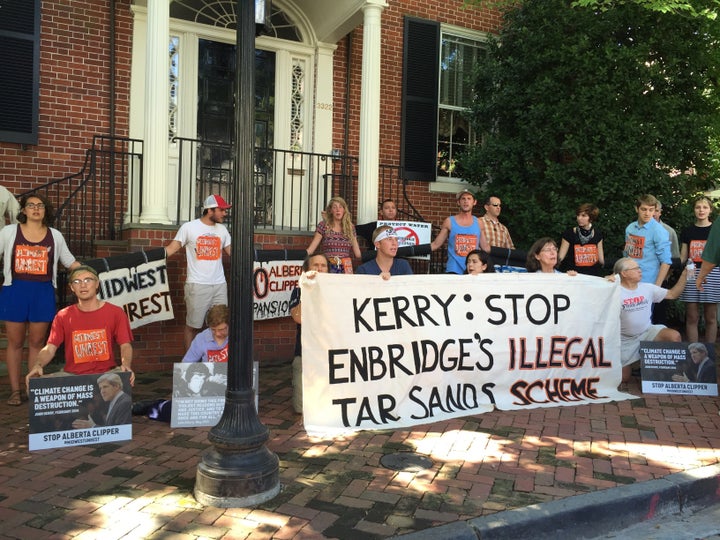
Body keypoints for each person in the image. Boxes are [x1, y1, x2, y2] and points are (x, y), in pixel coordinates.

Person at [0, 194, 80, 406]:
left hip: (43, 292)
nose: (36, 209)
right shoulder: (9, 232)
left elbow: (70, 262)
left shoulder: (55, 236)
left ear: (45, 211)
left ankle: (32, 388)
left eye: (40, 206)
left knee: (37, 342)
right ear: (24, 210)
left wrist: (91, 273)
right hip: (15, 291)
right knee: (15, 343)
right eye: (31, 205)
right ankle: (16, 391)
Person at [25, 265, 135, 386]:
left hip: (107, 375)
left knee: (123, 380)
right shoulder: (63, 315)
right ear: (72, 287)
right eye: (77, 282)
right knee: (36, 387)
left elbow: (125, 345)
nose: (83, 285)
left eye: (88, 280)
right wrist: (38, 364)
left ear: (97, 284)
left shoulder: (116, 312)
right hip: (73, 376)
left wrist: (126, 365)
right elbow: (50, 348)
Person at [165, 194, 232, 350]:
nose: (224, 213)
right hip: (197, 285)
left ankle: (217, 362)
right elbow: (172, 249)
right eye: (221, 210)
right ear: (210, 211)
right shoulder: (189, 227)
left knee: (221, 324)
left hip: (219, 285)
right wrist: (149, 259)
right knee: (193, 326)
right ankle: (190, 364)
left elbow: (233, 253)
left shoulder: (222, 230)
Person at [614, 257, 687, 383]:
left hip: (647, 332)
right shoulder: (614, 290)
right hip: (623, 340)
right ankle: (637, 364)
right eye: (635, 268)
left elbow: (672, 294)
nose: (640, 271)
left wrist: (685, 275)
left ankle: (673, 372)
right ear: (624, 273)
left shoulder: (647, 288)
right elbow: (592, 291)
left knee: (674, 336)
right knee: (623, 378)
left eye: (639, 268)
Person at [289, 253, 329, 413]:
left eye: (323, 266)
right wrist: (307, 288)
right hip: (305, 353)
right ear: (306, 270)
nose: (319, 269)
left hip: (330, 353)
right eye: (315, 265)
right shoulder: (299, 290)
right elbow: (298, 318)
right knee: (301, 408)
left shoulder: (337, 290)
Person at [679, 196, 719, 343]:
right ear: (693, 210)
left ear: (710, 210)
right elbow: (683, 257)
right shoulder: (687, 231)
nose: (701, 210)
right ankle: (693, 352)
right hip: (691, 274)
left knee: (711, 317)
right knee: (691, 317)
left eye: (705, 207)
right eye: (698, 207)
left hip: (713, 274)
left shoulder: (716, 230)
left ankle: (709, 355)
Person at [431, 189, 490, 274]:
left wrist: (508, 254)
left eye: (469, 199)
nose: (466, 201)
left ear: (474, 202)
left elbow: (485, 248)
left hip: (472, 270)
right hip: (453, 269)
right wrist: (410, 250)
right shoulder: (449, 221)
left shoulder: (479, 223)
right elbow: (435, 244)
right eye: (463, 199)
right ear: (458, 202)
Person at [624, 194, 672, 287]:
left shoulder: (658, 230)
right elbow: (627, 255)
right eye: (644, 209)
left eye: (651, 210)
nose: (647, 213)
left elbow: (666, 261)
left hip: (647, 282)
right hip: (628, 280)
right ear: (637, 209)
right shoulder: (630, 228)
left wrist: (656, 287)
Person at [306, 196, 361, 274]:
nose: (338, 210)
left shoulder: (350, 227)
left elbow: (358, 254)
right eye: (335, 207)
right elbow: (311, 250)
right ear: (331, 210)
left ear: (344, 210)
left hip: (346, 268)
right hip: (329, 266)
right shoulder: (323, 225)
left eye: (340, 207)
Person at [558, 203, 605, 276]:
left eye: (583, 216)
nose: (579, 218)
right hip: (574, 275)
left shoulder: (598, 234)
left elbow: (601, 259)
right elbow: (560, 257)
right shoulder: (569, 233)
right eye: (578, 215)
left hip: (592, 276)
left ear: (591, 218)